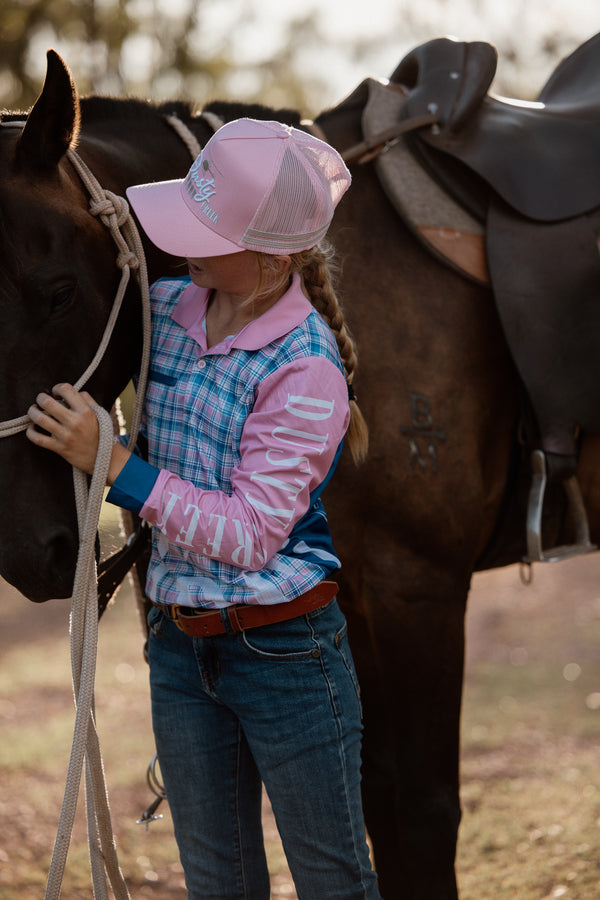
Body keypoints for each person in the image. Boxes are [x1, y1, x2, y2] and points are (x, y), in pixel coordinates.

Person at [26, 118, 380, 900]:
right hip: (181, 651)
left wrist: (113, 465)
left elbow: (251, 536)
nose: (178, 240)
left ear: (273, 257)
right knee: (218, 887)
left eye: (204, 229)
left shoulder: (306, 369)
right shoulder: (169, 308)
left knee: (333, 882)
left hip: (286, 655)